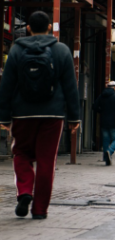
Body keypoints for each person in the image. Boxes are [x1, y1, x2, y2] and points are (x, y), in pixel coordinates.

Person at [0, 11, 80, 219]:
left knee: (20, 153)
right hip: (52, 115)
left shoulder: (16, 50)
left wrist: (4, 117)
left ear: (28, 27)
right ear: (49, 28)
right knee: (46, 160)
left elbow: (6, 86)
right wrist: (74, 118)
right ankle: (40, 209)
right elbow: (71, 87)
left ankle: (25, 191)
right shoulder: (62, 50)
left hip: (22, 114)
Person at [92, 81, 115, 166]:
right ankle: (109, 152)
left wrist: (101, 111)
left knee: (105, 139)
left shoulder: (101, 95)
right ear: (114, 87)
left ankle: (105, 157)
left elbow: (94, 106)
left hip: (103, 120)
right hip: (113, 121)